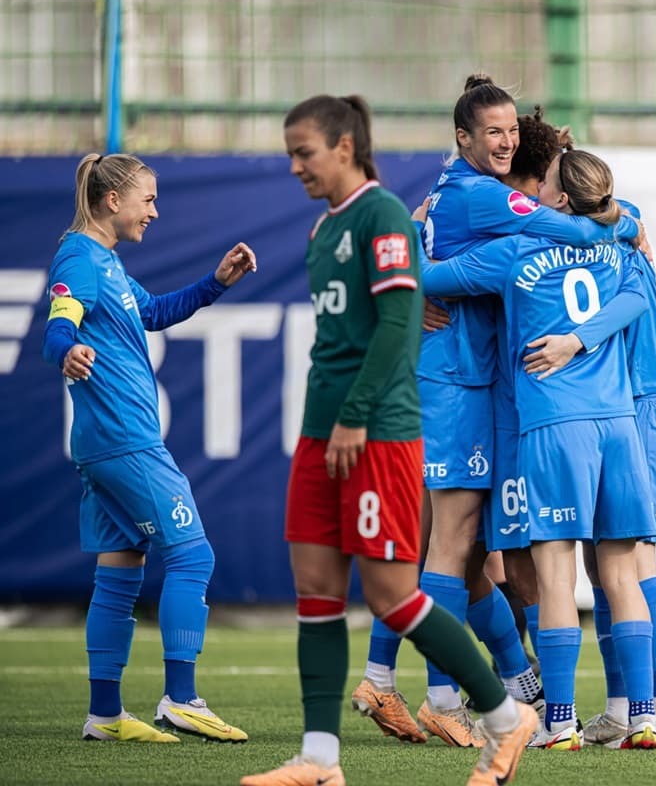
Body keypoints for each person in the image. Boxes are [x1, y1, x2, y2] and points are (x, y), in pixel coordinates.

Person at [241, 94, 536, 786]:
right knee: (314, 592)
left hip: (378, 433)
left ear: (344, 148)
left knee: (392, 595)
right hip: (321, 435)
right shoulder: (323, 231)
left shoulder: (385, 218)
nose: (293, 166)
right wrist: (324, 423)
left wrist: (357, 415)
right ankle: (319, 761)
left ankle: (505, 716)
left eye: (303, 151)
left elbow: (401, 328)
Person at [355, 75, 644, 748]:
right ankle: (441, 695)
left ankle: (493, 679)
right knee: (455, 541)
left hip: (475, 380)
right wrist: (625, 221)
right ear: (463, 137)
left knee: (468, 546)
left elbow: (421, 248)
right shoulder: (490, 201)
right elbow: (553, 223)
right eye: (495, 131)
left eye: (513, 132)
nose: (507, 141)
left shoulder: (459, 196)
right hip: (456, 379)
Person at [421, 148, 656, 752]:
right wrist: (582, 339)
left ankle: (558, 723)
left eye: (541, 184)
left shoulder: (513, 252)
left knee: (554, 578)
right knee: (620, 575)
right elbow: (636, 297)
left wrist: (417, 221)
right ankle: (644, 717)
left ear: (553, 199)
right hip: (619, 424)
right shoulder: (617, 246)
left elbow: (426, 279)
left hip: (556, 428)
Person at [42, 152, 254, 744]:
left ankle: (105, 716)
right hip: (125, 441)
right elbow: (60, 320)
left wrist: (216, 284)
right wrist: (65, 349)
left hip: (103, 443)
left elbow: (154, 311)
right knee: (194, 557)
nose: (155, 212)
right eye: (149, 199)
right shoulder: (80, 258)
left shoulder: (106, 264)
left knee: (120, 573)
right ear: (114, 200)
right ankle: (181, 698)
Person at [526, 195, 656, 748]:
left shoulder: (603, 230)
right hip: (621, 405)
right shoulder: (603, 233)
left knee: (635, 565)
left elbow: (621, 209)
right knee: (604, 569)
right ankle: (626, 710)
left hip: (639, 401)